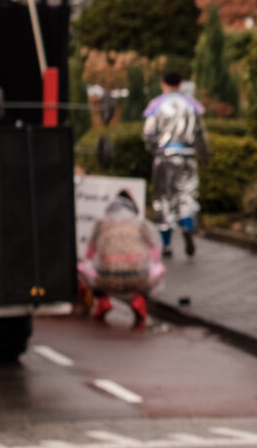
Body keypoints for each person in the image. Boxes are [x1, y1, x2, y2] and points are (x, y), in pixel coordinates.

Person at [142, 70, 208, 259]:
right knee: (186, 195)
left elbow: (148, 134)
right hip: (187, 156)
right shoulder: (192, 105)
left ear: (163, 83)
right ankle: (187, 226)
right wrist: (203, 156)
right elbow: (200, 134)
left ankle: (167, 244)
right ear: (180, 84)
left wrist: (154, 149)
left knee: (163, 199)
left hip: (165, 156)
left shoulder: (156, 105)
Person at [83, 190, 161, 327]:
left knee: (83, 268)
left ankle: (102, 300)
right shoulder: (141, 224)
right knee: (158, 269)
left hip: (105, 277)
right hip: (139, 277)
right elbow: (154, 253)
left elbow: (89, 254)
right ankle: (140, 299)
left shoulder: (101, 223)